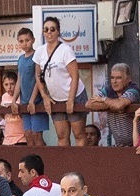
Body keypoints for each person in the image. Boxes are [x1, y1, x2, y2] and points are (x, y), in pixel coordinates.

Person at [35, 16, 88, 146]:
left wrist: (71, 100)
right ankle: (66, 165)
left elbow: (75, 76)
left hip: (74, 96)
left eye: (52, 29)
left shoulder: (66, 50)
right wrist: (44, 96)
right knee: (61, 135)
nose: (49, 32)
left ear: (58, 31)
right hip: (56, 99)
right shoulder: (40, 51)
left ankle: (82, 165)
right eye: (46, 29)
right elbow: (38, 76)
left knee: (79, 134)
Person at [85, 63, 140, 147]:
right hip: (121, 145)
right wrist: (113, 105)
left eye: (118, 78)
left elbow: (119, 105)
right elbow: (89, 104)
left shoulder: (133, 90)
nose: (114, 82)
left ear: (128, 79)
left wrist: (104, 100)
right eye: (112, 78)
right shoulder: (108, 90)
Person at [15, 27, 48, 146]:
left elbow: (38, 80)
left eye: (27, 40)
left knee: (36, 135)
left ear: (33, 40)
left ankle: (44, 160)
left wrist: (32, 100)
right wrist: (14, 100)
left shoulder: (36, 57)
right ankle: (30, 163)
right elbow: (19, 79)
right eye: (21, 41)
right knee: (28, 134)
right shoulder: (20, 59)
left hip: (36, 102)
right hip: (24, 102)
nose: (25, 43)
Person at [0, 71, 25, 145]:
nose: (9, 87)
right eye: (6, 85)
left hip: (21, 137)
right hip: (7, 138)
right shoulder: (4, 97)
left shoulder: (21, 96)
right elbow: (3, 116)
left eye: (12, 84)